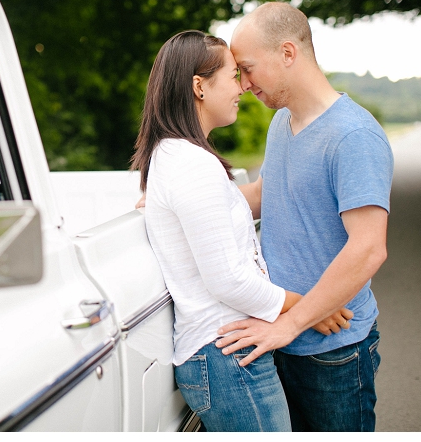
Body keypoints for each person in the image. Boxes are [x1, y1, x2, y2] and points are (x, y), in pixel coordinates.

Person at [130, 30, 352, 432]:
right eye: (234, 76)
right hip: (227, 356)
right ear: (199, 86)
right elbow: (228, 279)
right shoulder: (190, 165)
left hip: (228, 353)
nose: (243, 88)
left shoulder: (179, 158)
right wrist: (308, 308)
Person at [213, 2, 394, 432]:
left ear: (288, 53)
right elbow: (262, 194)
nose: (243, 82)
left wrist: (292, 322)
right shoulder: (282, 123)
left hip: (332, 352)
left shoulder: (354, 136)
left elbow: (368, 249)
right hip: (283, 338)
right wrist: (186, 203)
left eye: (248, 68)